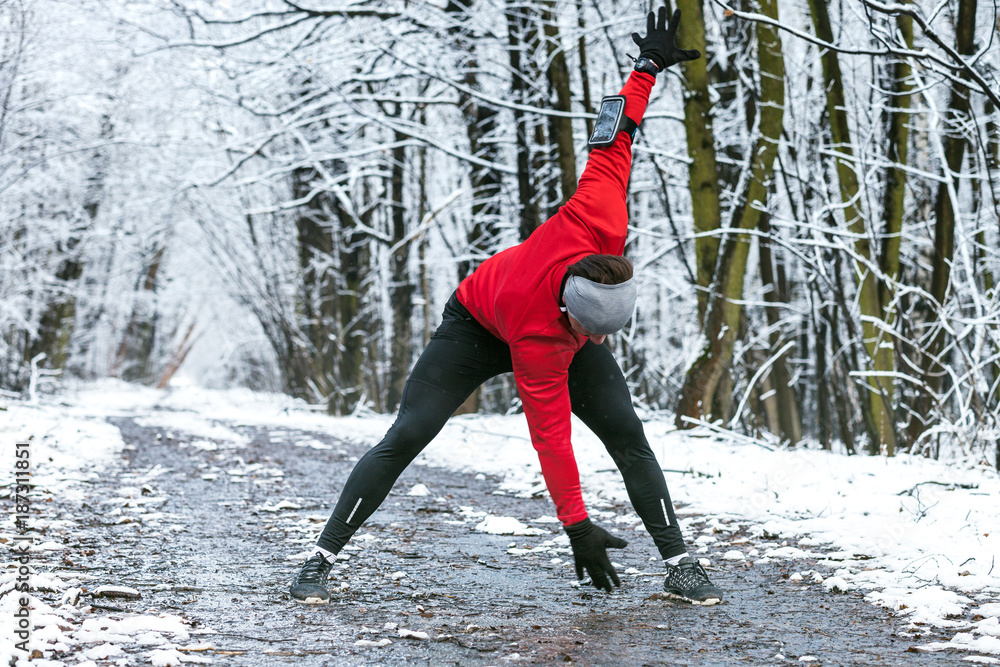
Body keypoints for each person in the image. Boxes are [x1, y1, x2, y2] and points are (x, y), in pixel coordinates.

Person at [290, 6, 723, 605]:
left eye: (607, 333)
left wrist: (646, 67)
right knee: (409, 433)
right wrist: (577, 526)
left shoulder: (600, 215)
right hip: (478, 323)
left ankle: (680, 563)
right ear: (571, 314)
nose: (599, 344)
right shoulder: (541, 340)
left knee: (627, 433)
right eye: (591, 333)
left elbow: (615, 134)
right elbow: (551, 439)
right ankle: (320, 556)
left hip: (545, 315)